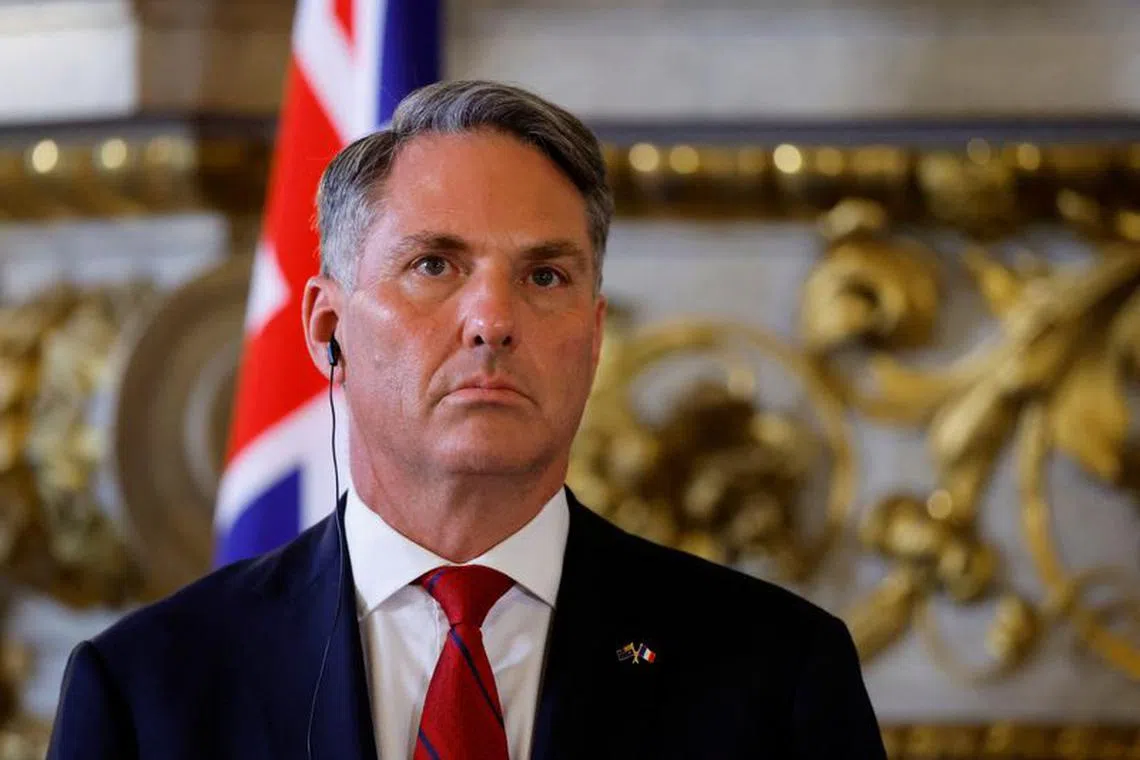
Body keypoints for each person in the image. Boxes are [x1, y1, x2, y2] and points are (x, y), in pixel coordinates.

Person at [47, 80, 886, 760]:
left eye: (546, 276)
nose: (492, 318)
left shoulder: (778, 675)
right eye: (434, 265)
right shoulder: (149, 690)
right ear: (326, 330)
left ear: (593, 341)